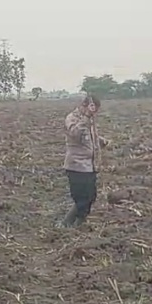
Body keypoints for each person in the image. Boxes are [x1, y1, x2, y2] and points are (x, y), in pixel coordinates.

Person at [60, 94, 109, 228]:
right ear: (84, 106)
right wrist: (86, 117)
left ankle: (77, 223)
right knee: (81, 199)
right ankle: (67, 224)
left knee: (91, 197)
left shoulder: (90, 119)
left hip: (90, 165)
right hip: (76, 165)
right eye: (93, 109)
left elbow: (90, 136)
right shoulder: (72, 118)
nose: (94, 113)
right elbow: (76, 134)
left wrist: (100, 141)